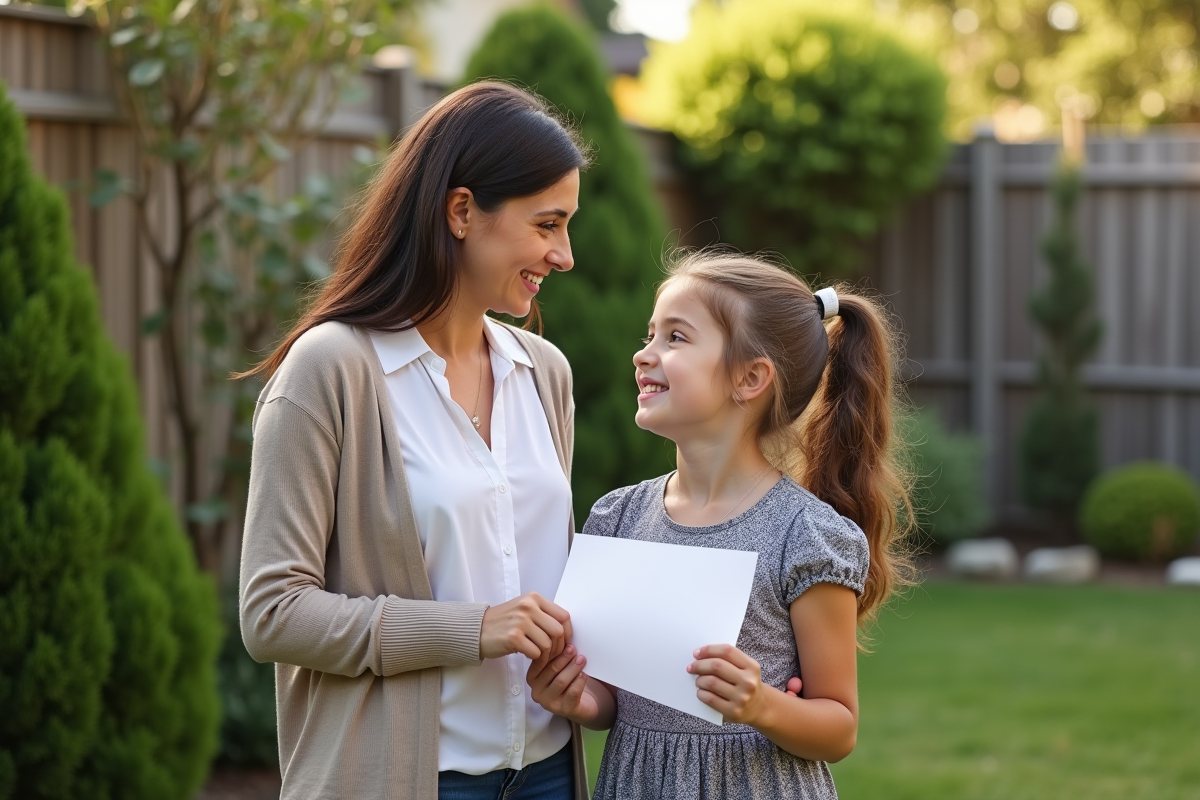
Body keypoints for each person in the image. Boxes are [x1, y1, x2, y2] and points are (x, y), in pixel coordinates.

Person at [238, 81, 593, 800]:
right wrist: (473, 629)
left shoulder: (543, 374)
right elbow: (272, 613)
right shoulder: (333, 369)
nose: (565, 255)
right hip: (407, 779)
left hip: (550, 772)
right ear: (462, 211)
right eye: (547, 224)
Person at [526, 250, 914, 798]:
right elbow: (617, 698)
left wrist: (761, 705)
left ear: (750, 378)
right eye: (650, 334)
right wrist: (581, 699)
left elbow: (839, 726)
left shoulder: (804, 535)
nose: (644, 354)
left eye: (676, 338)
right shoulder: (617, 518)